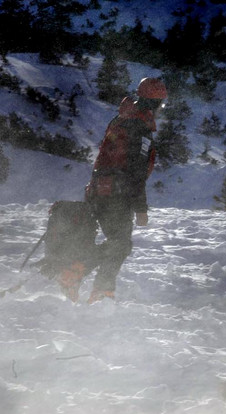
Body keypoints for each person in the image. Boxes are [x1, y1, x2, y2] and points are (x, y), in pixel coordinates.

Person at [80, 77, 167, 304]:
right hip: (117, 194)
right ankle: (96, 288)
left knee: (118, 243)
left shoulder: (122, 119)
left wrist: (93, 190)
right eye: (161, 104)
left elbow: (104, 156)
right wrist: (141, 208)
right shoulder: (139, 127)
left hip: (102, 189)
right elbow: (136, 172)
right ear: (155, 103)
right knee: (120, 244)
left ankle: (84, 276)